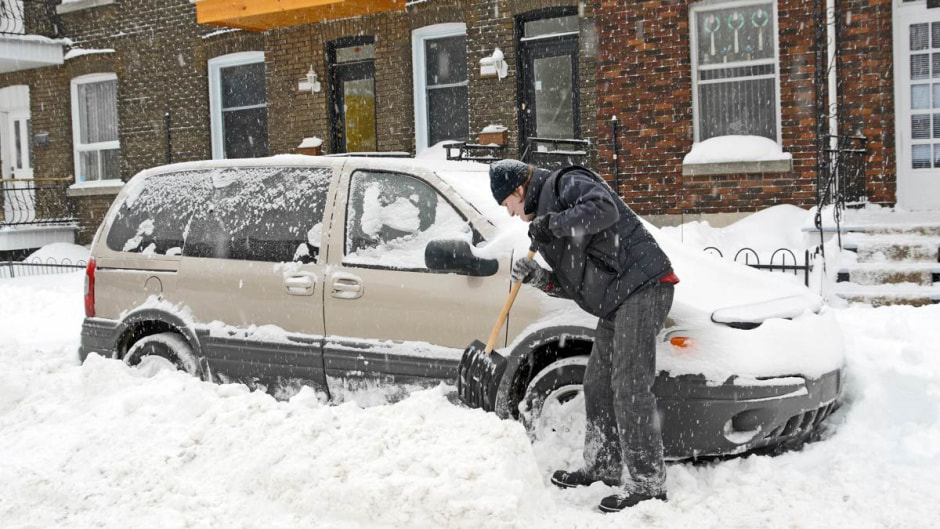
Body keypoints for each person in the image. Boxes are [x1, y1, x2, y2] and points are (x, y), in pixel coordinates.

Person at [489, 159, 679, 513]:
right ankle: (603, 465)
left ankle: (648, 482)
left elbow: (603, 209)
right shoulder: (546, 225)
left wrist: (553, 224)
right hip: (616, 299)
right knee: (597, 384)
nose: (512, 214)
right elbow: (575, 283)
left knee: (629, 385)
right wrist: (539, 278)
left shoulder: (565, 183)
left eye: (508, 205)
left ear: (518, 189)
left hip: (643, 286)